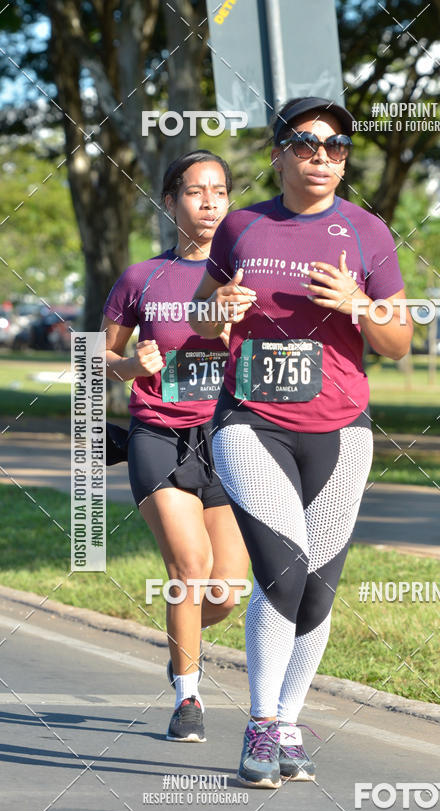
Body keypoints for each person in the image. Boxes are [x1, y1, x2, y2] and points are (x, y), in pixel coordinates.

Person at [191, 96, 412, 788]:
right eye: (308, 144)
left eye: (338, 147)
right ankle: (258, 723)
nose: (323, 157)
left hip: (342, 431)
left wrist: (358, 304)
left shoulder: (368, 233)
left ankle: (289, 721)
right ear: (280, 153)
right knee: (282, 573)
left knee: (317, 589)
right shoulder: (242, 228)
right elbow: (202, 319)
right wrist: (215, 311)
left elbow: (399, 342)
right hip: (250, 419)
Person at [101, 150, 248, 743]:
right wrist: (130, 365)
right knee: (190, 570)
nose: (208, 202)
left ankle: (180, 646)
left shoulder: (249, 278)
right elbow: (96, 356)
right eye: (195, 191)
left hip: (229, 438)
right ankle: (188, 697)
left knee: (227, 591)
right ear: (170, 202)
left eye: (219, 191)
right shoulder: (142, 278)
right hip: (159, 434)